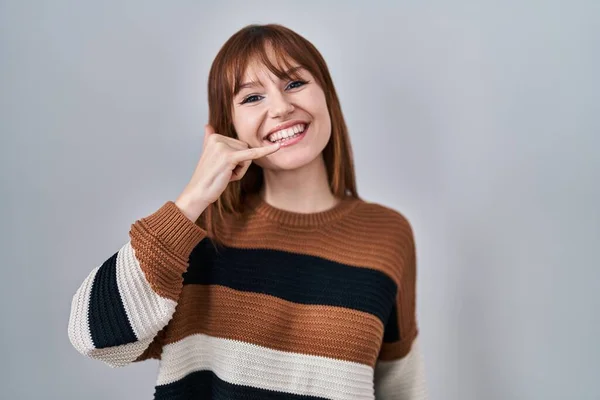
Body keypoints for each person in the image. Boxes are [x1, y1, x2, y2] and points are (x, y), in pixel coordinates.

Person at [68, 23, 428, 400]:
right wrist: (192, 199)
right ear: (230, 127)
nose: (281, 107)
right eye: (252, 98)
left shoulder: (387, 234)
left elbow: (401, 387)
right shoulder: (195, 234)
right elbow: (95, 337)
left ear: (327, 96)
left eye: (294, 84)